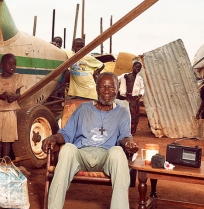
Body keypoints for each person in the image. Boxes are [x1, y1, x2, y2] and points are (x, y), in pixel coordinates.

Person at [42, 72, 139, 209]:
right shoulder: (83, 109)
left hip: (106, 157)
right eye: (103, 87)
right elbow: (66, 133)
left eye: (111, 87)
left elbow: (125, 136)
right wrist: (53, 137)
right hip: (81, 155)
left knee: (118, 151)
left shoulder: (122, 112)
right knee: (68, 149)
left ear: (117, 89)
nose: (107, 91)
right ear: (96, 89)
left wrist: (129, 143)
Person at [0, 53, 23, 161]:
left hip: (10, 111)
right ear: (2, 65)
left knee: (7, 140)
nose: (12, 66)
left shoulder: (17, 77)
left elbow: (18, 94)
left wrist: (13, 97)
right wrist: (0, 96)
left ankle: (5, 161)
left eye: (14, 64)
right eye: (9, 64)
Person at [118, 61, 145, 134]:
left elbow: (142, 88)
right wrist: (119, 88)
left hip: (135, 99)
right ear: (132, 67)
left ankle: (132, 131)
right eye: (136, 67)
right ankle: (124, 130)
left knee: (134, 115)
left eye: (139, 68)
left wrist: (140, 95)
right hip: (127, 97)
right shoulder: (125, 76)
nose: (137, 69)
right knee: (126, 113)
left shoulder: (140, 79)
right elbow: (116, 79)